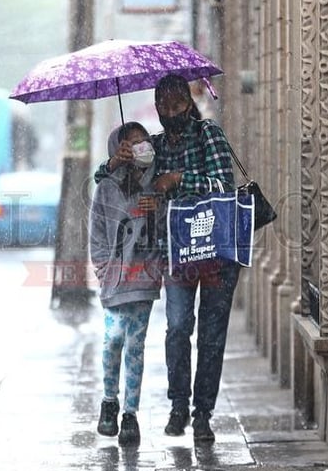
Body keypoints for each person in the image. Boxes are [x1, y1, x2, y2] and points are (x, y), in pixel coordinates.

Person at [95, 74, 241, 443]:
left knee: (211, 335)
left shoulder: (209, 134)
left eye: (177, 105)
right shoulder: (154, 147)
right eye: (163, 106)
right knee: (177, 327)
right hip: (177, 253)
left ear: (188, 105)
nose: (170, 112)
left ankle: (203, 413)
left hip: (218, 251)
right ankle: (178, 406)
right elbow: (104, 180)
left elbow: (224, 184)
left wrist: (177, 178)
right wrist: (116, 160)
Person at [89, 121, 164, 447]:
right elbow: (97, 235)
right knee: (112, 340)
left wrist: (158, 207)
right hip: (115, 282)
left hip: (144, 280)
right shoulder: (106, 186)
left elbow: (165, 231)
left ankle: (130, 414)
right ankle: (109, 401)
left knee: (136, 345)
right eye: (131, 143)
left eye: (143, 140)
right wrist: (106, 271)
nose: (140, 146)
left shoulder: (157, 183)